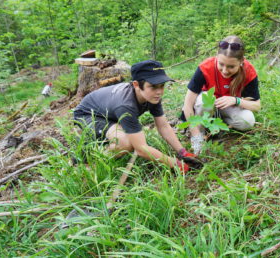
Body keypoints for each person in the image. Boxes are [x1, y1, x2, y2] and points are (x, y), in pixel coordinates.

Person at [73, 60, 201, 172]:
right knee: (124, 142)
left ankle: (102, 146)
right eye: (153, 86)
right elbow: (141, 149)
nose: (159, 92)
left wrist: (182, 152)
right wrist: (175, 164)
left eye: (162, 86)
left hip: (111, 114)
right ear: (136, 85)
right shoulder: (126, 105)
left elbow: (163, 126)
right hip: (88, 115)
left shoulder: (152, 96)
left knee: (127, 137)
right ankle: (93, 164)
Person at [181, 35, 260, 154]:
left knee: (248, 120)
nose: (224, 70)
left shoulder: (248, 71)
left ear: (242, 61)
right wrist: (195, 135)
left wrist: (236, 100)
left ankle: (217, 123)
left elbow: (257, 105)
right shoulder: (205, 68)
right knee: (205, 100)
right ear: (216, 57)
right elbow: (187, 104)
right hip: (206, 106)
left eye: (231, 66)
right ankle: (201, 131)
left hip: (228, 105)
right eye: (221, 64)